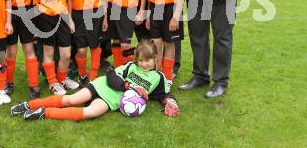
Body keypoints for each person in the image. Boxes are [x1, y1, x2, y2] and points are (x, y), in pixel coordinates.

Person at [10, 40, 180, 121]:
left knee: (89, 113)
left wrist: (170, 102)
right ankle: (29, 105)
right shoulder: (130, 66)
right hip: (102, 86)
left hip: (110, 100)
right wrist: (128, 86)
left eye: (148, 60)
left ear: (155, 59)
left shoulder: (157, 78)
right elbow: (111, 76)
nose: (143, 64)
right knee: (71, 99)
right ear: (136, 59)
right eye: (141, 60)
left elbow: (163, 93)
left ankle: (43, 113)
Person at [33, 0, 79, 95]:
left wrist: (70, 20)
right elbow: (34, 4)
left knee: (66, 53)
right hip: (45, 19)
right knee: (48, 52)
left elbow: (67, 1)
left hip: (63, 18)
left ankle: (62, 78)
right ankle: (53, 82)